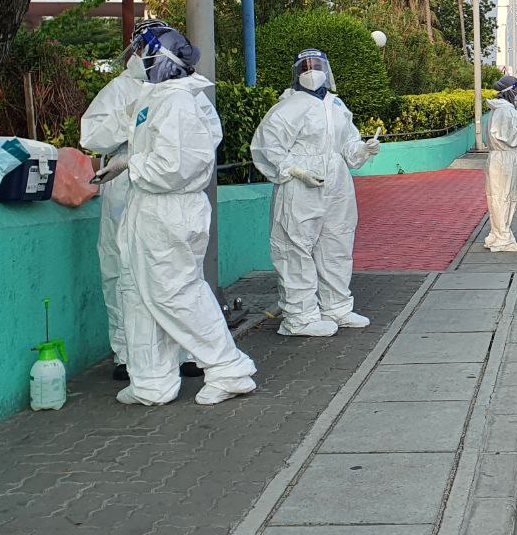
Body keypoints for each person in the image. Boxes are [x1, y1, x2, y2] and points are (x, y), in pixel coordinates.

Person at [99, 26, 257, 406]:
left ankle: (229, 369)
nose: (137, 57)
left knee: (177, 294)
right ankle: (151, 381)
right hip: (149, 209)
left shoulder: (178, 102)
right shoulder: (158, 97)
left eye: (143, 50)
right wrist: (130, 163)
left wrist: (130, 163)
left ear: (162, 58)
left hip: (168, 210)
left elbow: (175, 167)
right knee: (138, 295)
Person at [250, 50, 380, 337]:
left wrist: (363, 148)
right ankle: (299, 317)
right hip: (300, 186)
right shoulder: (287, 107)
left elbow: (348, 144)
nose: (312, 71)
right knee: (295, 246)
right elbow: (266, 147)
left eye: (317, 65)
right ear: (297, 72)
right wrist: (294, 170)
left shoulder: (336, 105)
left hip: (337, 183)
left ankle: (337, 307)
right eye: (306, 66)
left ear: (327, 69)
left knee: (337, 242)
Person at [80, 19, 166, 383]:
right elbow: (91, 136)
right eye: (149, 44)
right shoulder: (119, 88)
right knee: (120, 267)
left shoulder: (176, 86)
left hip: (161, 182)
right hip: (123, 182)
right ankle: (127, 352)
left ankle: (177, 351)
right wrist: (127, 118)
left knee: (167, 268)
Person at [484, 75, 517, 252]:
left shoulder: (496, 109)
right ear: (511, 91)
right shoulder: (508, 111)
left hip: (496, 158)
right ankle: (503, 238)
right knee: (506, 197)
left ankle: (497, 233)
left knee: (496, 197)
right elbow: (510, 138)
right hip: (506, 159)